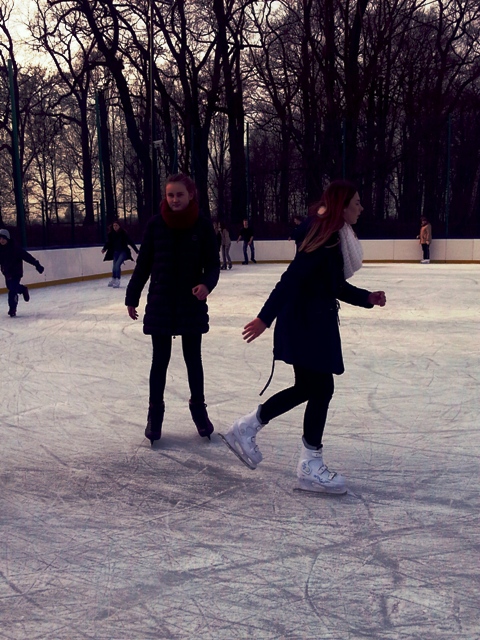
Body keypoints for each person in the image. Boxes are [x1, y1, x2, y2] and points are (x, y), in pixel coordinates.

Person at [220, 181, 386, 494]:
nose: (361, 208)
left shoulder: (332, 235)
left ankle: (249, 428)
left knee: (311, 387)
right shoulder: (325, 238)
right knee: (320, 388)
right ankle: (307, 464)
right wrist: (264, 318)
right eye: (356, 203)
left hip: (311, 321)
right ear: (342, 206)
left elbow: (332, 285)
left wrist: (367, 297)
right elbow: (292, 279)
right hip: (306, 323)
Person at [125, 173, 220, 446]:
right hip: (161, 302)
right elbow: (143, 265)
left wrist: (206, 284)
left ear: (191, 195)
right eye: (170, 195)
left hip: (191, 303)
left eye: (179, 194)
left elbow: (213, 264)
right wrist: (132, 296)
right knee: (160, 361)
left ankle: (199, 410)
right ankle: (155, 414)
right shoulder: (155, 225)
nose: (175, 199)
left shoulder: (202, 225)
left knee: (193, 360)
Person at [0, 229, 44, 317]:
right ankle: (23, 289)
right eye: (0, 239)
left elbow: (27, 256)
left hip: (16, 273)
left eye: (3, 238)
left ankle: (12, 309)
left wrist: (37, 264)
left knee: (12, 290)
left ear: (7, 238)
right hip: (7, 273)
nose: (1, 240)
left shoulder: (15, 248)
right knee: (11, 287)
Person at [102, 220, 139, 287]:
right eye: (114, 225)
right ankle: (113, 279)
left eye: (116, 225)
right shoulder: (111, 234)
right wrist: (104, 249)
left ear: (119, 226)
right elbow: (108, 242)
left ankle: (117, 280)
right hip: (115, 252)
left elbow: (130, 242)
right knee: (114, 266)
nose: (115, 227)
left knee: (117, 265)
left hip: (123, 252)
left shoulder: (124, 234)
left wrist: (136, 250)